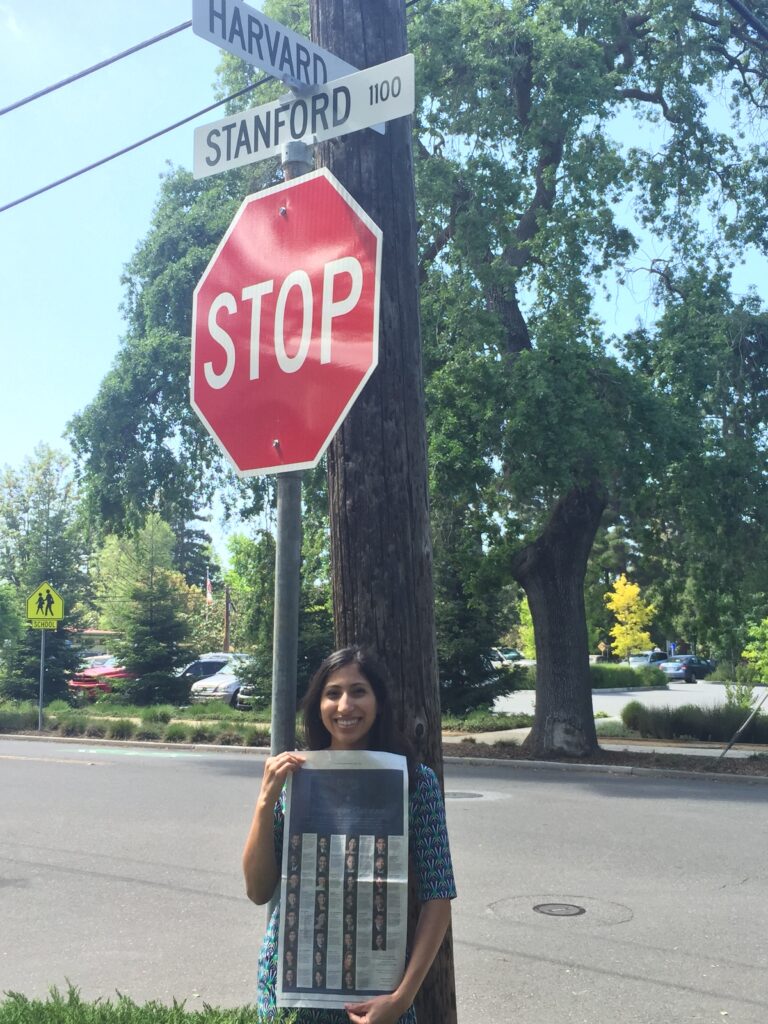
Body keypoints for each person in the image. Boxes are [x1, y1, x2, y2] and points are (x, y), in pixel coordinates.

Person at [242, 646, 456, 1024]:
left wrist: (402, 999)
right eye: (332, 693)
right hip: (291, 990)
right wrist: (264, 803)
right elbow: (258, 891)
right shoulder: (295, 777)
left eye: (358, 691)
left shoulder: (414, 782)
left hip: (379, 993)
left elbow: (438, 898)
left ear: (378, 702)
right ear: (318, 704)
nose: (345, 705)